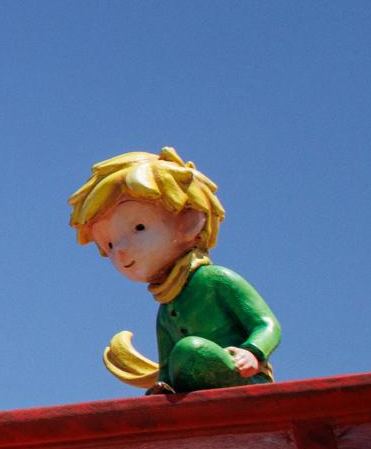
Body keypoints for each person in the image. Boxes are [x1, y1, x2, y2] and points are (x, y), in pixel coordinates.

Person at [69, 147, 280, 394]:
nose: (121, 251)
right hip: (194, 388)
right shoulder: (166, 309)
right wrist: (162, 385)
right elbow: (168, 363)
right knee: (185, 352)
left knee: (190, 349)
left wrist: (252, 351)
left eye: (139, 227)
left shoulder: (215, 280)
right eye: (110, 245)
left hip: (245, 379)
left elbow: (267, 324)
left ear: (189, 221)